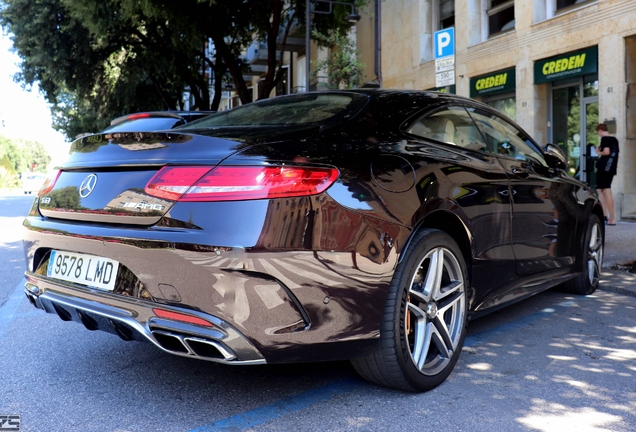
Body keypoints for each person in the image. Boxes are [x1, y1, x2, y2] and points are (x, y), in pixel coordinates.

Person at [594, 123, 619, 225]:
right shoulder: (614, 140)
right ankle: (604, 216)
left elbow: (607, 152)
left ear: (600, 130)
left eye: (598, 133)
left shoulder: (604, 139)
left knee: (606, 190)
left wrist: (598, 152)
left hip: (604, 168)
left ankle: (611, 218)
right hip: (611, 168)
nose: (599, 135)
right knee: (601, 190)